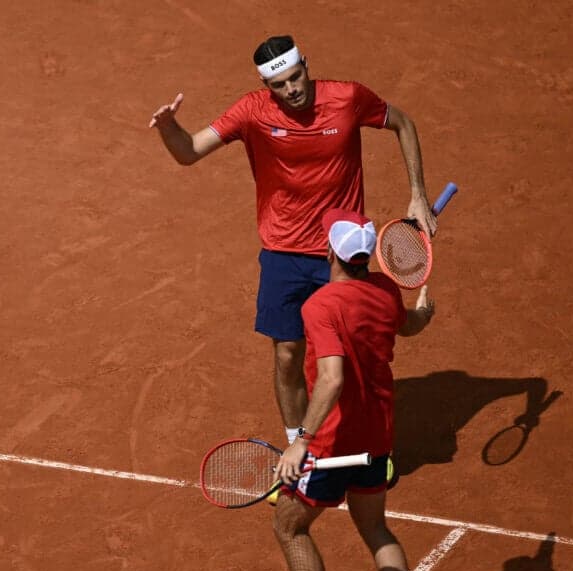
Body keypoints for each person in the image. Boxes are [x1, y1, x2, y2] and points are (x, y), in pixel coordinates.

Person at [149, 35, 438, 446]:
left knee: (354, 358)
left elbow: (403, 124)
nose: (292, 89)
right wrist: (168, 127)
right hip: (282, 254)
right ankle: (298, 451)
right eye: (280, 85)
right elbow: (190, 150)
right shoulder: (252, 111)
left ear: (306, 64)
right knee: (287, 355)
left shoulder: (348, 98)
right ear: (268, 87)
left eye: (296, 77)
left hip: (340, 254)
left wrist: (418, 194)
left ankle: (367, 444)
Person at [271, 208, 439, 571]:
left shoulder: (319, 306)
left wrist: (300, 441)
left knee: (289, 527)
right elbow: (409, 325)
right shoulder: (386, 292)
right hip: (378, 436)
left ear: (329, 251)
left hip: (332, 444)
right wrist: (424, 312)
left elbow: (331, 377)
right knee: (377, 529)